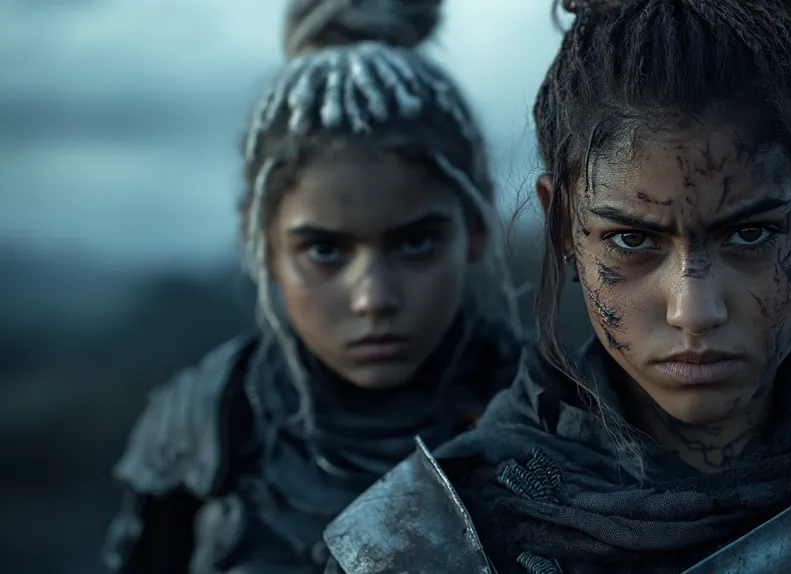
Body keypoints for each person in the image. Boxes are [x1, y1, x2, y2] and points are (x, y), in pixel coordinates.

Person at [321, 0, 791, 572]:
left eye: (750, 234)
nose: (695, 310)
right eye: (633, 240)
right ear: (564, 227)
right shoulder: (426, 542)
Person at [102, 0, 523, 572]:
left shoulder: (548, 412)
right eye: (324, 250)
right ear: (263, 244)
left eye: (416, 242)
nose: (374, 299)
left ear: (475, 227)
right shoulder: (208, 422)